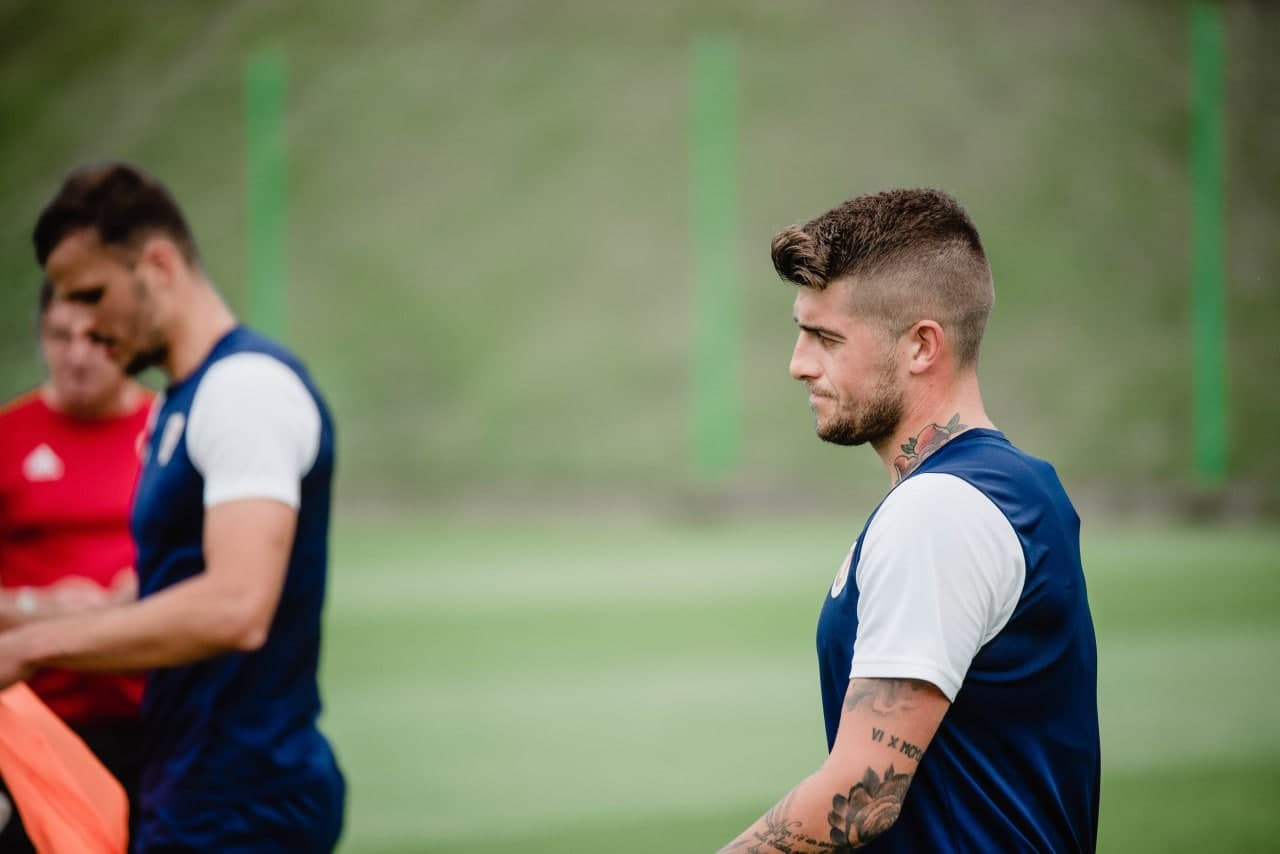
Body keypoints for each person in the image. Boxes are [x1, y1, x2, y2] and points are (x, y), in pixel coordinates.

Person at [719, 189, 1099, 852]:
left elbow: (863, 795)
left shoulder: (938, 512)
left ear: (922, 346)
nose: (798, 363)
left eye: (826, 338)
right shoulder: (1020, 485)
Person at [0, 162, 345, 852]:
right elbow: (182, 589)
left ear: (158, 265)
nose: (86, 326)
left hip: (243, 799)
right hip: (186, 782)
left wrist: (31, 646)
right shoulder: (183, 403)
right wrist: (96, 609)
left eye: (94, 294)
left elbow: (236, 606)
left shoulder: (245, 390)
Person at [0, 282, 151, 851]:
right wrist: (39, 607)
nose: (77, 355)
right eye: (60, 337)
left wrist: (144, 595)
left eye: (97, 338)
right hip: (32, 722)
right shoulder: (8, 436)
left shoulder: (171, 434)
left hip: (155, 720)